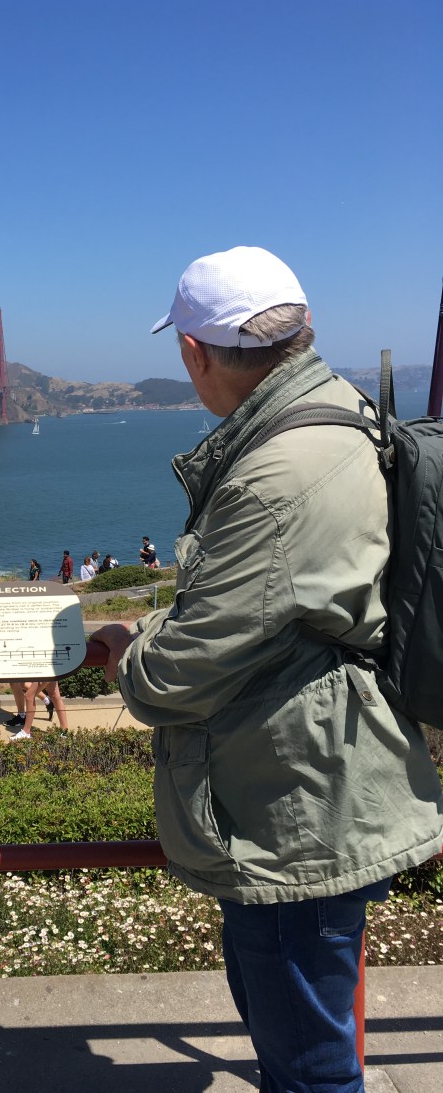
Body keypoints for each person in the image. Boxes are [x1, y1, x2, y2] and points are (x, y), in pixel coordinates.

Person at [92, 245, 443, 1092]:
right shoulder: (342, 409)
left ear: (193, 352)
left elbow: (175, 677)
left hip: (292, 806)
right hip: (320, 770)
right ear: (301, 328)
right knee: (300, 1037)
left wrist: (130, 655)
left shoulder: (273, 478)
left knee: (309, 1069)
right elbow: (271, 605)